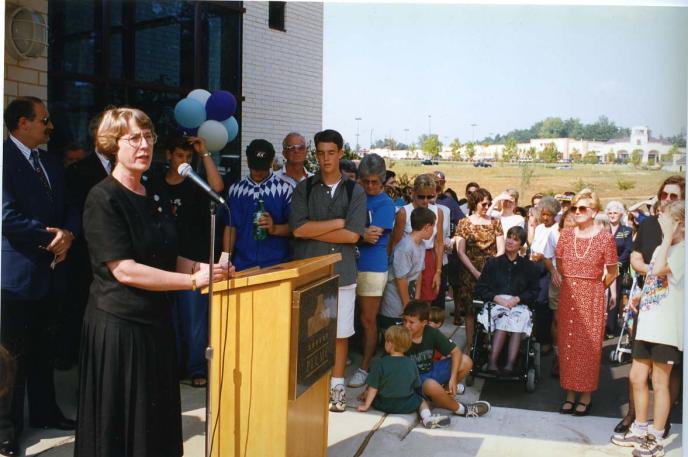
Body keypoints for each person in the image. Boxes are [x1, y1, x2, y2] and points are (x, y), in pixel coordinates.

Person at [74, 107, 232, 457]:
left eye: (149, 137)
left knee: (153, 428)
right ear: (114, 145)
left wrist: (206, 269)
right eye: (134, 138)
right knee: (124, 430)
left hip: (155, 327)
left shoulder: (151, 195)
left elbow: (164, 256)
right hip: (120, 331)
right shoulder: (103, 198)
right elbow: (125, 269)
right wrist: (191, 283)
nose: (144, 145)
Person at [1, 96, 79, 457]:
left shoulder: (49, 162)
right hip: (15, 278)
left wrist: (70, 234)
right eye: (43, 120)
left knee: (44, 351)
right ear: (21, 123)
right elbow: (6, 216)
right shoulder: (3, 160)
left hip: (50, 274)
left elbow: (71, 207)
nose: (50, 126)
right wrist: (52, 237)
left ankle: (46, 412)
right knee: (9, 357)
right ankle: (6, 429)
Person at [289, 129, 367, 413]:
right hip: (310, 273)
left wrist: (314, 231)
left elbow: (353, 236)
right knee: (310, 334)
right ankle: (310, 389)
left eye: (331, 153)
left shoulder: (353, 190)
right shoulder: (305, 188)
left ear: (341, 153)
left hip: (343, 274)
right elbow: (298, 229)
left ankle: (337, 388)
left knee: (340, 333)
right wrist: (337, 222)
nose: (325, 159)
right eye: (320, 153)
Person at [149, 133, 224, 388]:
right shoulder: (156, 184)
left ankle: (195, 367)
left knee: (193, 318)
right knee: (168, 318)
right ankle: (174, 366)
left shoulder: (195, 184)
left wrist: (204, 153)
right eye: (180, 155)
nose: (184, 161)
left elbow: (217, 187)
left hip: (193, 262)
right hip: (163, 262)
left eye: (189, 156)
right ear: (168, 155)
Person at [611, 200, 684, 457]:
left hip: (666, 328)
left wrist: (667, 238)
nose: (660, 224)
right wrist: (640, 296)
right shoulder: (660, 250)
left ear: (680, 224)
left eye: (666, 220)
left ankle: (656, 436)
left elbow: (663, 269)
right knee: (636, 377)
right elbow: (653, 275)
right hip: (648, 323)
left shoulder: (682, 250)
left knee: (659, 382)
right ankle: (640, 428)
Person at [555, 189, 618, 416]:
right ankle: (570, 393)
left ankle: (586, 395)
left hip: (592, 294)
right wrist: (573, 281)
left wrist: (596, 287)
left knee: (588, 347)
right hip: (568, 294)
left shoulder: (605, 238)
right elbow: (560, 265)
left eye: (583, 208)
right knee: (568, 345)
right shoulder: (565, 234)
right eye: (575, 208)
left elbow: (612, 271)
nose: (578, 212)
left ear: (595, 212)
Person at [58, 113, 112, 369]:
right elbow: (76, 212)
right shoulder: (80, 170)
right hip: (87, 259)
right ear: (96, 135)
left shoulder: (131, 169)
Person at [348, 154, 396, 388]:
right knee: (347, 316)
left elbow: (372, 236)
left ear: (383, 180)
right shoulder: (356, 197)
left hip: (373, 267)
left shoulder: (385, 204)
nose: (370, 186)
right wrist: (359, 233)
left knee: (368, 319)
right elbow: (359, 234)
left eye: (375, 182)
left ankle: (365, 367)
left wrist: (353, 234)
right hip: (350, 263)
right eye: (365, 181)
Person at [356, 326, 451, 429]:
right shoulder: (411, 363)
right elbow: (416, 385)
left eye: (386, 341)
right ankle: (426, 417)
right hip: (405, 405)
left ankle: (365, 396)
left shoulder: (380, 363)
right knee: (421, 401)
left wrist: (366, 405)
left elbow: (373, 387)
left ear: (390, 344)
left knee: (370, 392)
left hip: (383, 403)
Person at [402, 301, 486, 418]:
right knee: (431, 385)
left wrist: (453, 379)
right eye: (404, 321)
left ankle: (445, 396)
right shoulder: (400, 334)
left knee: (466, 361)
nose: (406, 325)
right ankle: (462, 409)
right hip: (415, 380)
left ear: (424, 323)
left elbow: (455, 351)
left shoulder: (431, 332)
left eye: (411, 322)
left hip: (431, 371)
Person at [475, 226, 539, 374]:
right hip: (495, 303)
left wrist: (518, 299)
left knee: (518, 317)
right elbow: (481, 287)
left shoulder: (528, 267)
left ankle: (510, 364)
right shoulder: (493, 263)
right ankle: (492, 362)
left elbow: (534, 291)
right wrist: (496, 298)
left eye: (515, 239)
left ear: (521, 245)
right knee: (503, 316)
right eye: (509, 237)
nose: (510, 241)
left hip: (518, 304)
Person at [224, 139, 292, 270]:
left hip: (277, 264)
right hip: (242, 265)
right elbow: (230, 227)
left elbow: (295, 228)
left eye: (263, 167)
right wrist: (225, 260)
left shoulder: (285, 189)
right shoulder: (236, 189)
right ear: (248, 161)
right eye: (255, 167)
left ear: (271, 162)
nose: (258, 172)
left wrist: (274, 228)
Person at [454, 188, 504, 352]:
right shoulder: (464, 223)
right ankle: (469, 344)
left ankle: (489, 344)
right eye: (484, 204)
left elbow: (501, 250)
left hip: (491, 271)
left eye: (489, 203)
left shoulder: (496, 222)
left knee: (491, 308)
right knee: (469, 311)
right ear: (474, 203)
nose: (487, 206)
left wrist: (489, 270)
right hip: (469, 272)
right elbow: (460, 251)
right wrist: (475, 272)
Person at [389, 174, 444, 303]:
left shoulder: (438, 212)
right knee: (406, 298)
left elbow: (439, 243)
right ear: (413, 193)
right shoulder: (404, 212)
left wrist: (438, 271)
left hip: (429, 257)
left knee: (427, 301)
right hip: (407, 259)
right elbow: (395, 243)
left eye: (430, 197)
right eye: (421, 196)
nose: (425, 201)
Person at [378, 207, 436, 330]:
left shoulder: (421, 245)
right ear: (426, 227)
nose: (434, 230)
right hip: (395, 303)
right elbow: (401, 279)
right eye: (433, 226)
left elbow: (419, 273)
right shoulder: (405, 248)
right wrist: (407, 306)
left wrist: (416, 300)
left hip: (410, 298)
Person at [543, 208, 576, 377]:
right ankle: (558, 354)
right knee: (557, 319)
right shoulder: (554, 235)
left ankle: (571, 356)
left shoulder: (584, 237)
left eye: (574, 221)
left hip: (577, 282)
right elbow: (546, 257)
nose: (571, 223)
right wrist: (554, 272)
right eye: (568, 220)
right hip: (558, 280)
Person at [529, 196, 561, 359]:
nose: (546, 217)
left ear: (555, 214)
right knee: (535, 303)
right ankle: (536, 338)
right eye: (543, 214)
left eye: (549, 214)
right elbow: (534, 246)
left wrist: (541, 257)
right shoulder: (540, 228)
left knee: (544, 305)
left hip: (550, 270)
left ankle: (546, 341)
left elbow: (552, 254)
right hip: (536, 268)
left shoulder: (557, 229)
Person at [605, 201, 633, 338]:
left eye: (615, 212)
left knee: (613, 296)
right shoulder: (602, 230)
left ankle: (610, 328)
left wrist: (617, 265)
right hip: (602, 268)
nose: (612, 215)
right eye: (610, 213)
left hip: (618, 269)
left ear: (621, 214)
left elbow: (628, 250)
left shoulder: (626, 231)